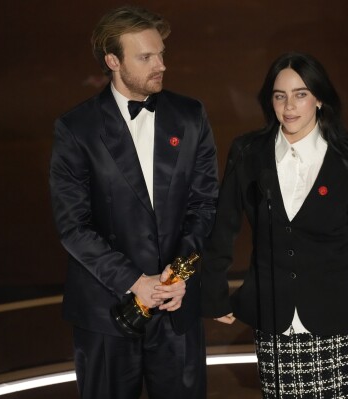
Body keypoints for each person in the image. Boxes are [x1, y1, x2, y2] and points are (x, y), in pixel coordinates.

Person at [201, 52, 348, 398]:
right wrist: (213, 291)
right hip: (277, 319)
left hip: (343, 320)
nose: (289, 106)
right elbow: (224, 225)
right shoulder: (249, 152)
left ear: (319, 99)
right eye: (280, 96)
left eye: (300, 94)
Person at [49, 6, 218, 399]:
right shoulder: (76, 129)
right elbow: (73, 225)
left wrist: (178, 277)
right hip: (106, 311)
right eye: (146, 57)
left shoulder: (190, 115)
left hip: (176, 308)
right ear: (113, 61)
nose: (161, 64)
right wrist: (135, 282)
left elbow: (205, 203)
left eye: (160, 53)